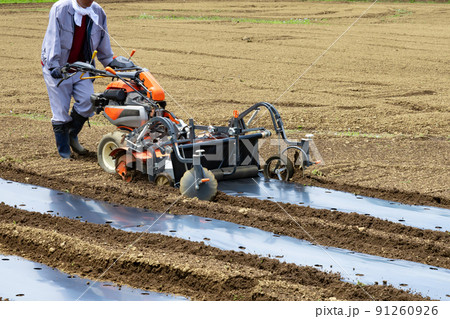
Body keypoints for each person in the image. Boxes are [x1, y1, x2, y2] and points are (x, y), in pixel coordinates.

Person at [41, 0, 125, 158]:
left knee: (88, 102)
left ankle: (71, 135)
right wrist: (53, 66)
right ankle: (64, 153)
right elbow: (53, 38)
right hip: (59, 67)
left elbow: (103, 39)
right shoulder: (60, 9)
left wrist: (110, 62)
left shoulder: (98, 12)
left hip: (82, 66)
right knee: (61, 110)